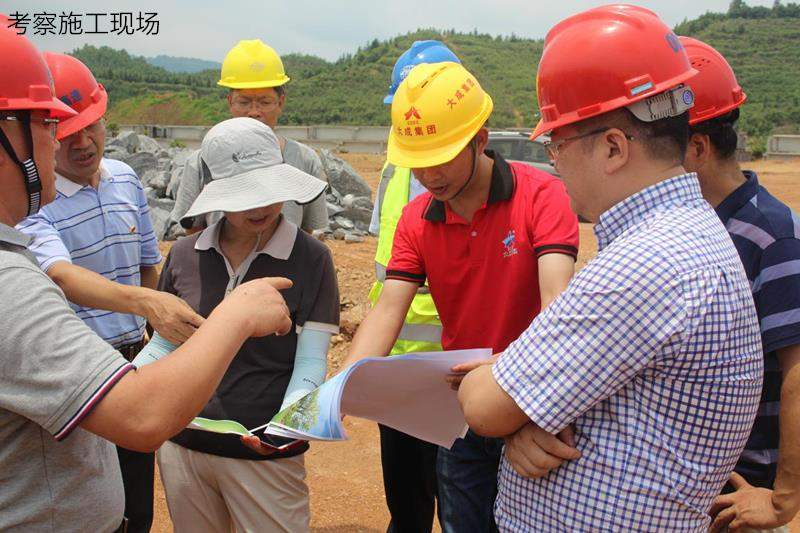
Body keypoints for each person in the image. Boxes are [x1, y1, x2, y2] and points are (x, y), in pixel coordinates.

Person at [458, 5, 764, 531]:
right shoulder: (687, 235)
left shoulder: (643, 263)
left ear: (614, 147)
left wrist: (501, 391)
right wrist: (521, 410)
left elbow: (484, 406)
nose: (554, 162)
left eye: (556, 144)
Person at [0, 24, 293, 533]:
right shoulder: (11, 283)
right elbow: (141, 417)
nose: (64, 138)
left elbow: (146, 268)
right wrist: (237, 314)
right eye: (49, 122)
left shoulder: (120, 183)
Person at [343, 60, 579, 532]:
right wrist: (343, 387)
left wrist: (541, 401)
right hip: (462, 406)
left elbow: (557, 304)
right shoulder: (416, 219)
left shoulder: (542, 196)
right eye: (418, 161)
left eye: (442, 157)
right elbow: (388, 310)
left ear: (480, 140)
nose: (429, 175)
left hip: (531, 396)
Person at [16, 52, 203, 533]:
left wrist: (155, 337)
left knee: (137, 497)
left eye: (91, 126)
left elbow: (146, 264)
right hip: (78, 367)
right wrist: (148, 303)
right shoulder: (34, 202)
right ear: (43, 134)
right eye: (66, 133)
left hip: (135, 357)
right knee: (90, 491)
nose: (83, 142)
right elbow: (62, 275)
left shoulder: (125, 178)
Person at [155, 117, 339, 532]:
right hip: (184, 446)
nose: (260, 206)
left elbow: (311, 361)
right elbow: (164, 347)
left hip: (264, 455)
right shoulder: (184, 254)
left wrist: (283, 431)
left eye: (268, 190)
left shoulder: (311, 258)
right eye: (243, 195)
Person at [676, 37, 800, 533]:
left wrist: (782, 500)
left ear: (697, 149)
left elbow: (797, 371)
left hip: (739, 490)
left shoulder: (773, 235)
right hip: (686, 479)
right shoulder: (687, 227)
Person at [369, 39, 461, 533]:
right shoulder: (394, 167)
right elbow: (384, 254)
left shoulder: (480, 186)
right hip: (397, 364)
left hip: (456, 368)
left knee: (459, 502)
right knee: (406, 504)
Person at [168, 39, 329, 236]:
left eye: (265, 102)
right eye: (244, 102)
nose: (254, 112)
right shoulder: (200, 162)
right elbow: (193, 229)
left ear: (280, 102)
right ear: (230, 102)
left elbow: (306, 231)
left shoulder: (305, 160)